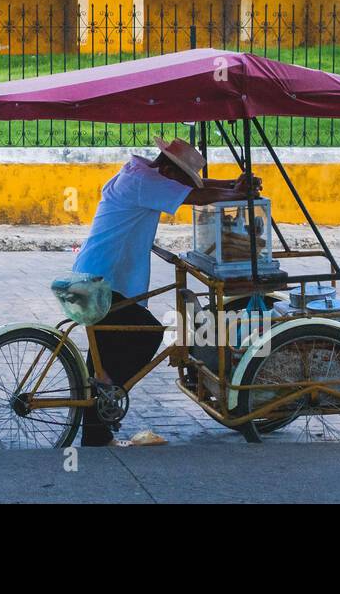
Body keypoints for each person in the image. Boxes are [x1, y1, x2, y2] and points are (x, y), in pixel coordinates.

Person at [74, 136, 260, 447]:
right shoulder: (144, 182)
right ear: (170, 171)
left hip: (92, 277)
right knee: (147, 332)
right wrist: (236, 192)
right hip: (101, 283)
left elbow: (198, 189)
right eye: (183, 179)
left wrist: (233, 184)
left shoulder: (139, 175)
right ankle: (108, 387)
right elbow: (197, 198)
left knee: (105, 352)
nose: (185, 185)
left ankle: (96, 434)